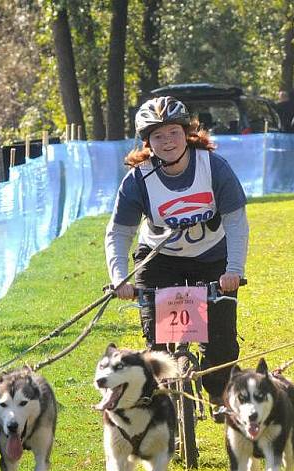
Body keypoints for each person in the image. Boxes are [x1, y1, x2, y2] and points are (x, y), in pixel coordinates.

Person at [105, 96, 249, 407]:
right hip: (159, 260)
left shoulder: (214, 168)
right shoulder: (137, 180)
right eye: (158, 135)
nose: (167, 141)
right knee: (156, 341)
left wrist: (234, 270)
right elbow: (119, 232)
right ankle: (161, 392)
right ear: (147, 141)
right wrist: (119, 279)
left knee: (221, 342)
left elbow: (236, 222)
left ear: (187, 133)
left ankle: (219, 394)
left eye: (173, 132)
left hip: (211, 257)